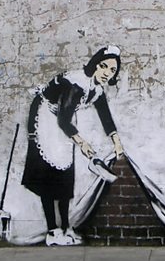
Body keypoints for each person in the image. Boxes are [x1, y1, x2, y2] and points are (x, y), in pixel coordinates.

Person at [21, 45, 124, 246]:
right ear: (95, 64)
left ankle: (67, 228)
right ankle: (52, 230)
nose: (106, 73)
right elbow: (62, 121)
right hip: (45, 117)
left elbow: (106, 118)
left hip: (63, 118)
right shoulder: (76, 84)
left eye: (112, 70)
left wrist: (117, 142)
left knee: (65, 171)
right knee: (49, 174)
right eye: (103, 66)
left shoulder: (96, 89)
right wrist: (83, 143)